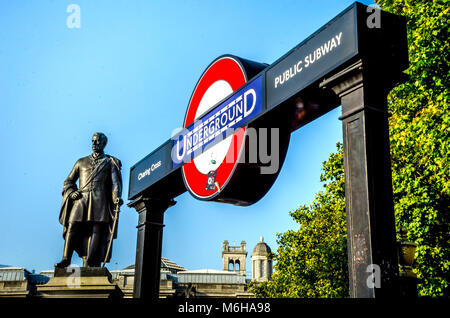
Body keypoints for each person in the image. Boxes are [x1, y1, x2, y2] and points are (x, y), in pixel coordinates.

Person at [56, 132, 123, 268]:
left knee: (96, 230)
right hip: (81, 200)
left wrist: (116, 197)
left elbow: (115, 183)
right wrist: (71, 192)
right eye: (93, 141)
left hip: (100, 200)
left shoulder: (110, 162)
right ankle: (65, 259)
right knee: (72, 226)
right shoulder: (81, 162)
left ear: (104, 144)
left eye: (98, 141)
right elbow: (68, 181)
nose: (94, 144)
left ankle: (92, 261)